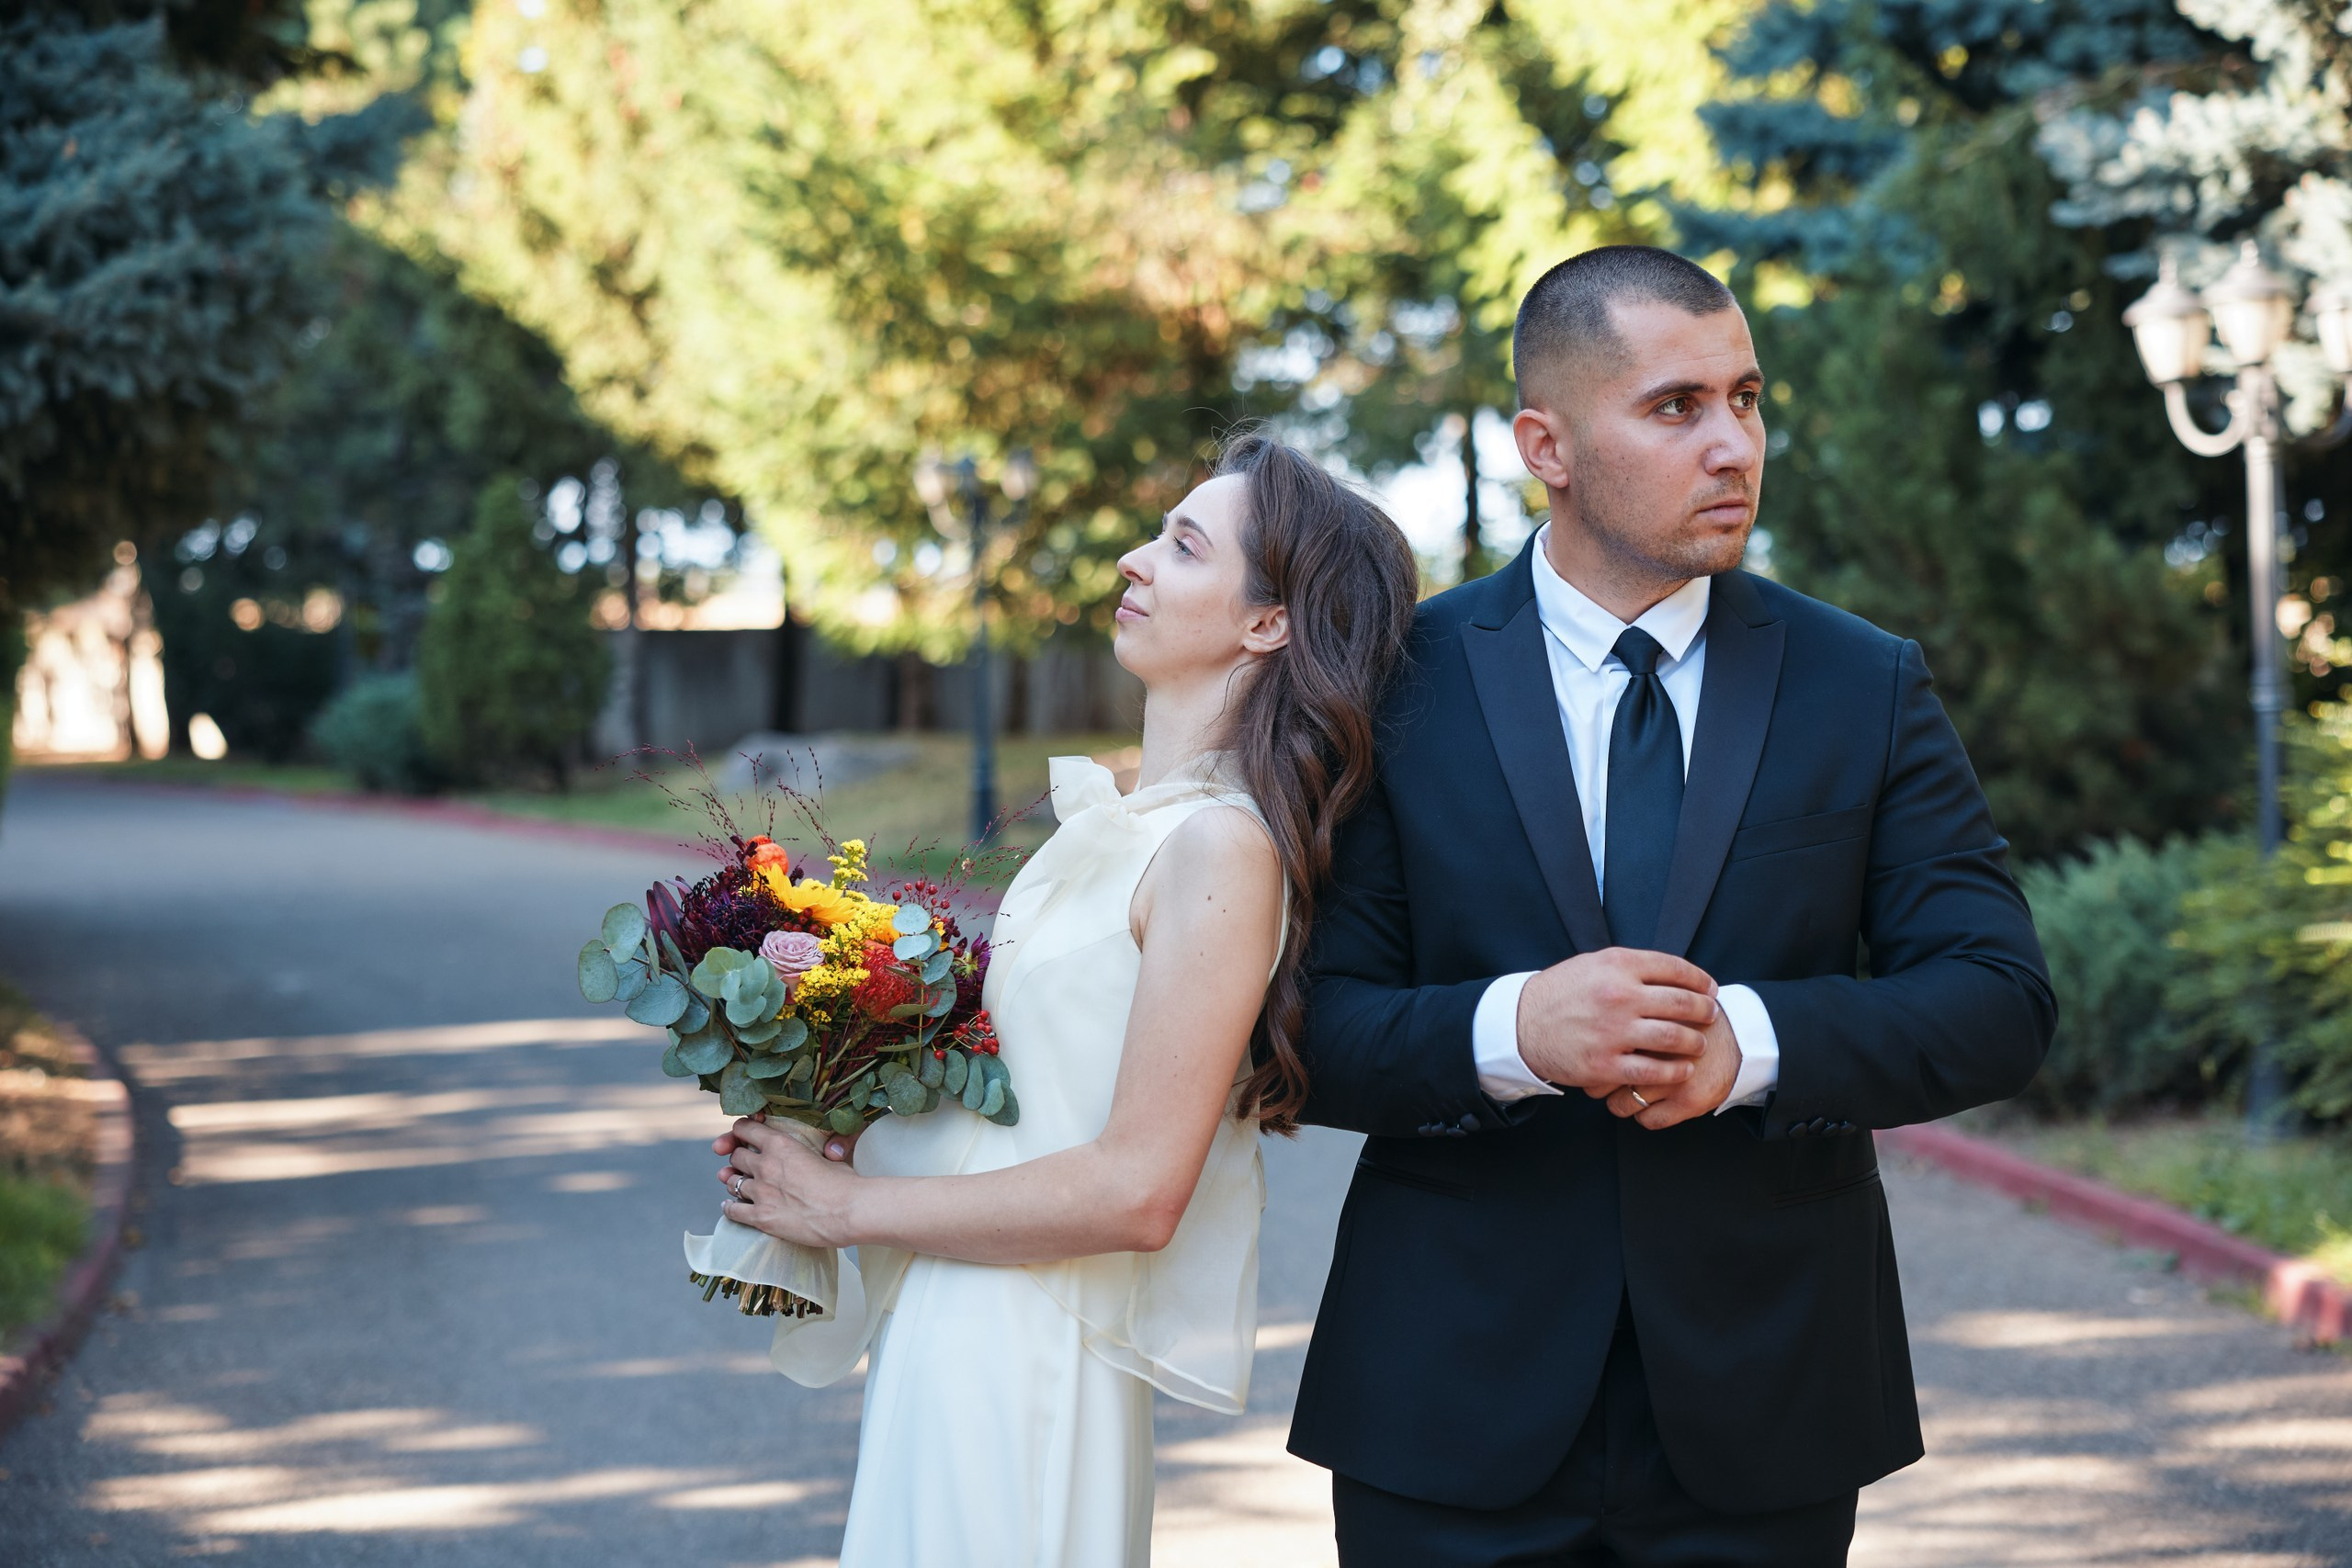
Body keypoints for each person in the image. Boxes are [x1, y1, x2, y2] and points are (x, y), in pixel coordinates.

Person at [1288, 245, 2056, 1566]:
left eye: (1747, 399)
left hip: (1771, 1399)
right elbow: (1310, 1025)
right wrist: (1514, 1029)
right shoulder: (1394, 682)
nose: (1733, 445)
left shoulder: (1861, 682)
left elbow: (1998, 996)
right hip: (1447, 1400)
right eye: (1676, 405)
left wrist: (1746, 1045)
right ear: (1548, 442)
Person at [710, 429, 1420, 1566]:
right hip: (959, 1318)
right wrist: (836, 1090)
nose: (1134, 561)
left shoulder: (1219, 850)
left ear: (1266, 622)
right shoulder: (1134, 824)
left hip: (1029, 1354)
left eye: (1183, 547)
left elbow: (1138, 1189)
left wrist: (842, 1213)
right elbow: (1033, 1106)